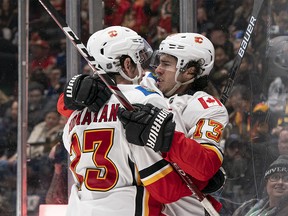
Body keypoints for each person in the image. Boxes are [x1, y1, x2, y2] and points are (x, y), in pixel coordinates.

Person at [59, 31, 228, 215]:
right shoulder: (147, 91)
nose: (157, 70)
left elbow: (205, 165)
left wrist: (166, 136)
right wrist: (74, 92)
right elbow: (73, 106)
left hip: (186, 210)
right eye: (159, 62)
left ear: (190, 71)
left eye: (166, 64)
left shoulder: (206, 106)